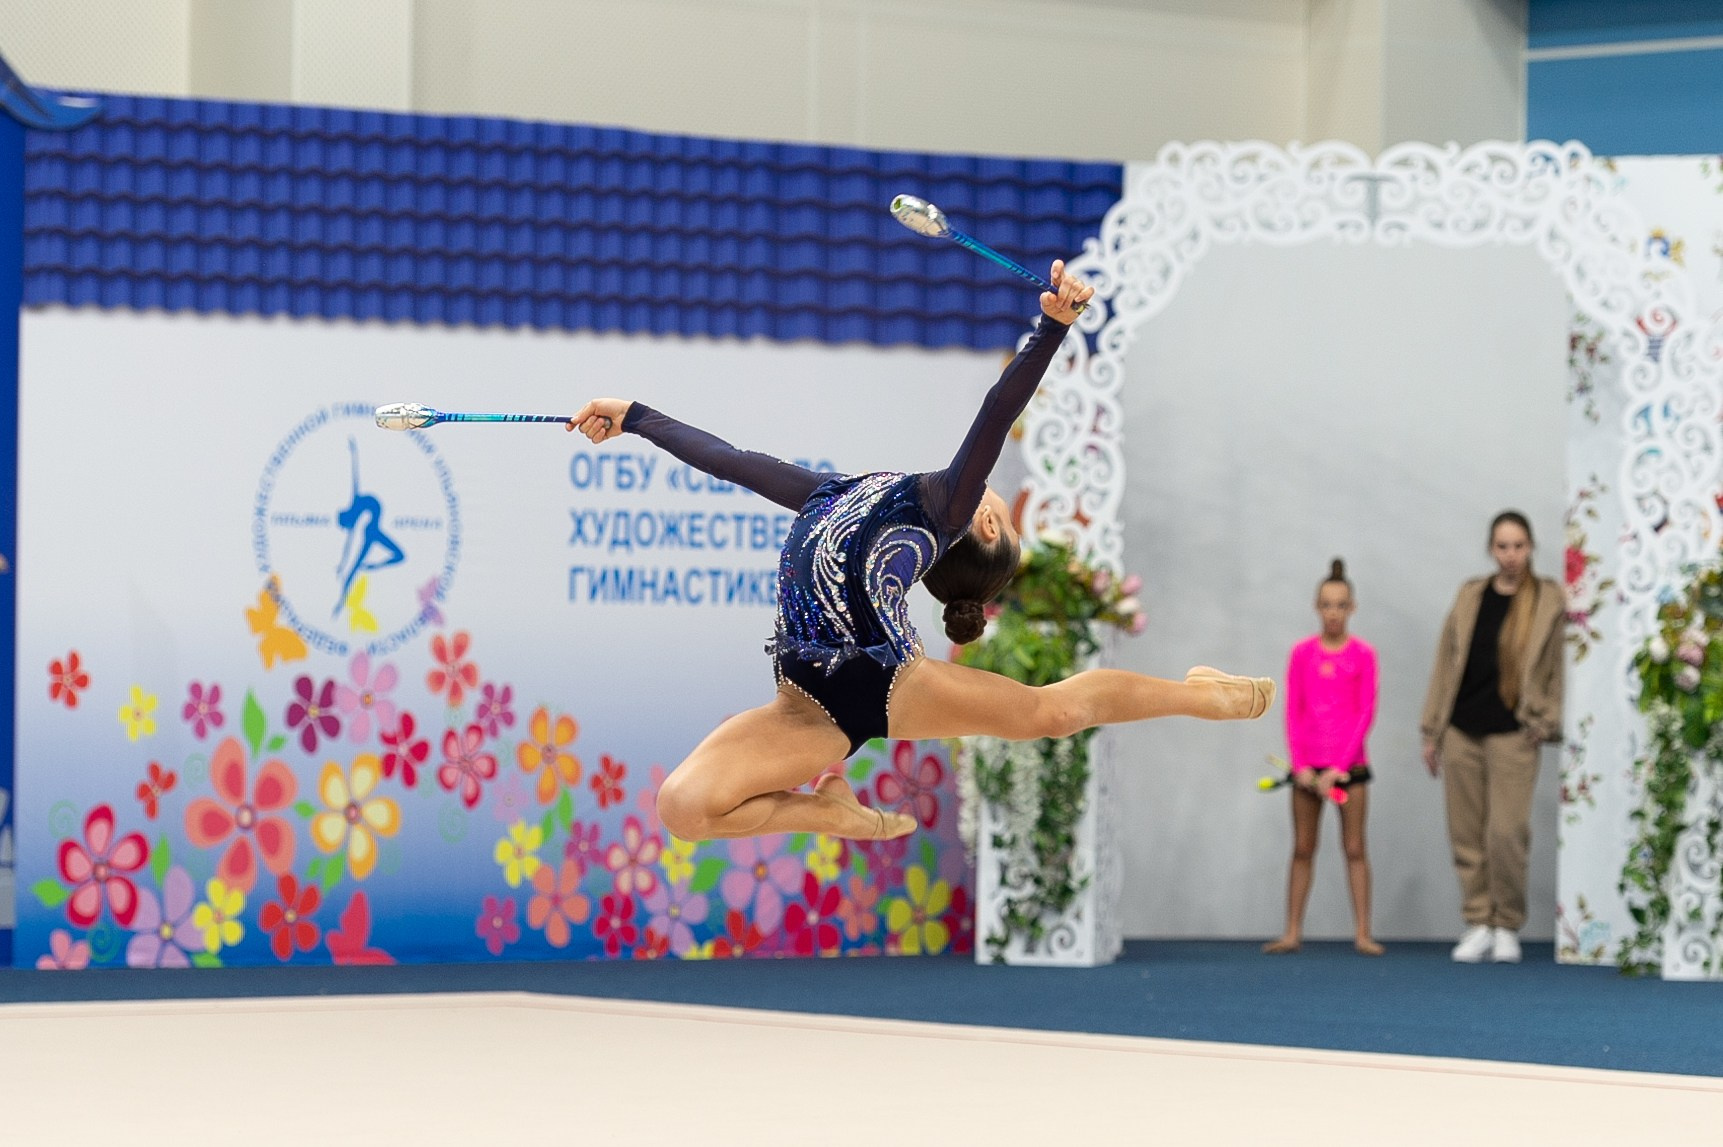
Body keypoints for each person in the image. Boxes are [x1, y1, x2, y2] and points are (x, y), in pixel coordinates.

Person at [566, 261, 1274, 842]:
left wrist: (1050, 329)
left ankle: (1199, 693)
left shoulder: (943, 507)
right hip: (804, 704)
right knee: (682, 810)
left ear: (986, 528)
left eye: (995, 507)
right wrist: (634, 417)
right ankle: (823, 809)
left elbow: (998, 411)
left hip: (886, 683)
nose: (991, 492)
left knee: (1047, 713)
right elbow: (729, 459)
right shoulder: (831, 491)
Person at [1420, 511, 1564, 964]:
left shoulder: (1547, 600)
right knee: (1466, 832)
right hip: (1462, 729)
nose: (1511, 555)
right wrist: (1432, 730)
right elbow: (1446, 662)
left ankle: (1507, 924)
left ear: (1531, 548)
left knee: (1507, 833)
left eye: (1519, 546)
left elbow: (1559, 668)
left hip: (1513, 735)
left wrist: (1545, 722)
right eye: (1502, 546)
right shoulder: (1470, 596)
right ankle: (1478, 920)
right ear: (1491, 549)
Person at [1263, 559, 1382, 957]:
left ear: (1352, 608)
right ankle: (1292, 931)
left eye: (1341, 605)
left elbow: (1365, 712)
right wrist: (1301, 766)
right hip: (1307, 771)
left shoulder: (1363, 655)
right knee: (1302, 848)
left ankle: (1363, 933)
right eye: (1327, 605)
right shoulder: (1301, 654)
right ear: (1317, 607)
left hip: (1349, 769)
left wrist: (1338, 768)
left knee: (1354, 848)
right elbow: (1293, 711)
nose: (1333, 612)